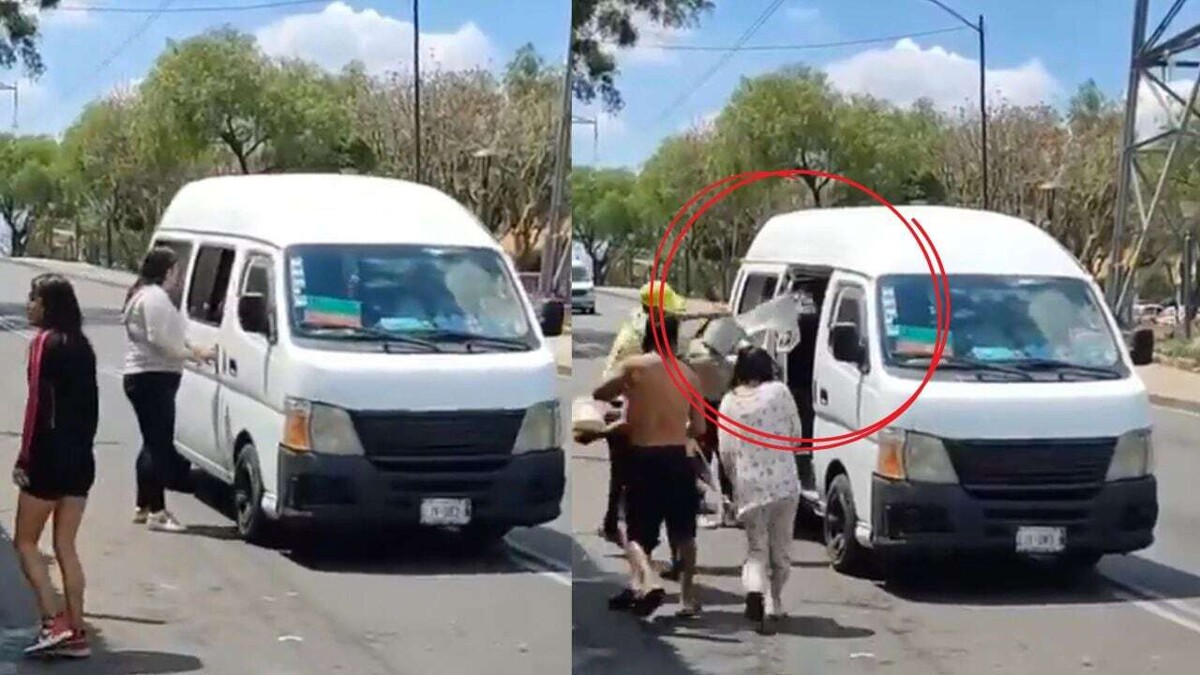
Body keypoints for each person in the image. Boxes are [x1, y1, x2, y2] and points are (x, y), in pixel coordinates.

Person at [584, 313, 707, 618]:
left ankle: (648, 581)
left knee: (634, 531)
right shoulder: (689, 375)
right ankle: (687, 598)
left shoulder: (636, 367)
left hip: (644, 457)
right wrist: (677, 428)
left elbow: (599, 393)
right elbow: (700, 428)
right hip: (679, 458)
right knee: (684, 532)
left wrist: (627, 388)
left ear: (647, 336)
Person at [597, 281, 725, 547]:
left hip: (627, 404)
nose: (675, 317)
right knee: (636, 479)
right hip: (631, 409)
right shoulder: (639, 339)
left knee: (622, 475)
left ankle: (619, 527)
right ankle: (637, 541)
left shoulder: (642, 322)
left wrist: (714, 313)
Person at [12, 274, 99, 658]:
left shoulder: (43, 343)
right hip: (81, 459)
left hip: (47, 458)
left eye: (33, 299)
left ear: (48, 305)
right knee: (66, 544)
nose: (29, 305)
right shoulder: (83, 346)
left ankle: (52, 620)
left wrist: (24, 458)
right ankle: (76, 631)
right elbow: (91, 410)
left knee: (26, 542)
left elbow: (36, 407)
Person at [122, 247, 214, 533]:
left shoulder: (143, 294)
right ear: (167, 271)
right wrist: (190, 355)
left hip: (146, 376)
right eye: (176, 270)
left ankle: (143, 504)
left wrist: (192, 350)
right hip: (154, 377)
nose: (178, 276)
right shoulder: (155, 298)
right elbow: (160, 339)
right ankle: (158, 511)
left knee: (151, 442)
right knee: (159, 445)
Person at [718, 346, 803, 635]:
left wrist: (733, 481)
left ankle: (754, 591)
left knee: (756, 550)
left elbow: (726, 451)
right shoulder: (780, 392)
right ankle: (774, 601)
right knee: (781, 551)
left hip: (750, 485)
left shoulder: (729, 402)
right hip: (784, 484)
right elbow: (796, 435)